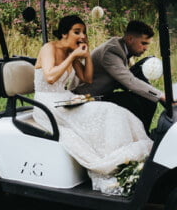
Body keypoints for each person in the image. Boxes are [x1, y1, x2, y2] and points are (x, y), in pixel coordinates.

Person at [33, 15, 152, 195]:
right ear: (64, 33)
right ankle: (110, 163)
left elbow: (87, 78)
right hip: (47, 103)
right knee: (102, 114)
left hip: (65, 98)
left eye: (84, 32)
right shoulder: (49, 48)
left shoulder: (70, 53)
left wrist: (87, 54)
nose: (82, 36)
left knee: (114, 110)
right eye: (77, 32)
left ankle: (124, 162)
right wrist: (73, 55)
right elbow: (50, 77)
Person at [74, 20, 164, 131]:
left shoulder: (121, 47)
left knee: (148, 100)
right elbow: (130, 82)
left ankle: (144, 134)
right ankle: (139, 136)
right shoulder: (112, 51)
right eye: (143, 43)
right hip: (88, 98)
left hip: (103, 93)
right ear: (130, 39)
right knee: (132, 102)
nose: (146, 48)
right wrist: (161, 96)